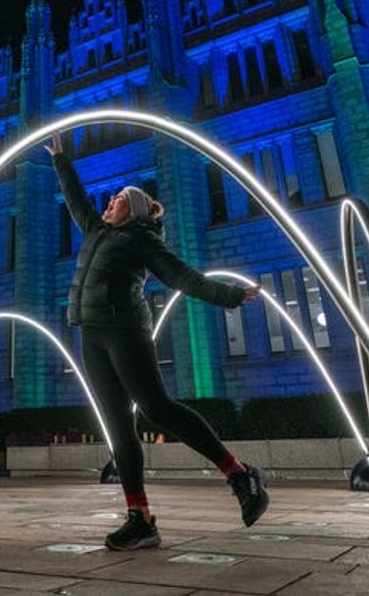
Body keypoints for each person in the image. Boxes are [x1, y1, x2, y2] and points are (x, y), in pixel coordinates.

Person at [44, 132, 268, 551]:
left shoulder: (144, 240)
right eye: (109, 201)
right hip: (91, 337)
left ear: (134, 210)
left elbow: (181, 277)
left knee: (157, 408)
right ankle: (140, 518)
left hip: (126, 333)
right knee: (117, 428)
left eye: (117, 200)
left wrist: (230, 295)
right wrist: (61, 159)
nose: (108, 202)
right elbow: (76, 200)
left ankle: (239, 474)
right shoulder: (95, 231)